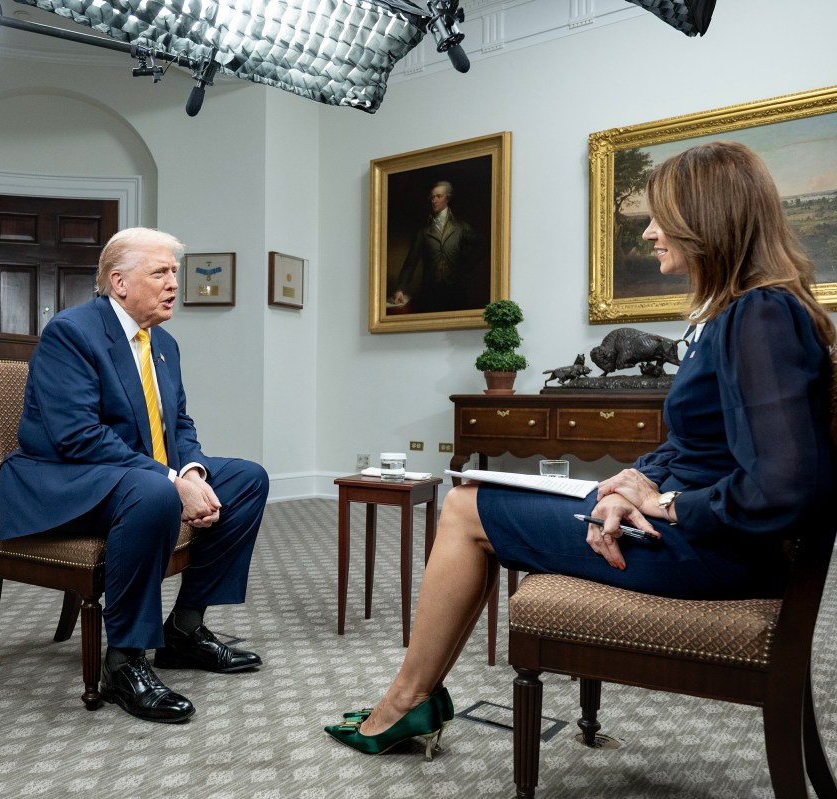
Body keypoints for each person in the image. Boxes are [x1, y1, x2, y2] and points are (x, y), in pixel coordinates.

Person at [326, 140, 837, 756]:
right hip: (698, 531)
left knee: (464, 506)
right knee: (484, 496)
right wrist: (631, 482)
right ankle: (413, 698)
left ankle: (405, 703)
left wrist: (668, 506)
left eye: (661, 218)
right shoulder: (736, 312)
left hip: (713, 550)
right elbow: (700, 444)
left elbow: (785, 486)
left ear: (708, 219)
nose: (649, 232)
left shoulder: (761, 315)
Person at [0, 227, 269, 725]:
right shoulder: (72, 332)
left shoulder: (164, 344)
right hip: (65, 477)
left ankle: (184, 632)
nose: (173, 284)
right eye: (160, 272)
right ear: (118, 282)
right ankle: (124, 662)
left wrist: (192, 470)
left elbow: (178, 424)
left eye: (174, 273)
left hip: (131, 473)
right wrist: (170, 481)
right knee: (154, 493)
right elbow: (77, 437)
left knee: (247, 478)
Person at [389, 181, 483, 314]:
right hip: (431, 292)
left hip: (457, 290)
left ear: (448, 198)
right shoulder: (423, 232)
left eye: (439, 196)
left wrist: (468, 264)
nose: (434, 200)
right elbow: (410, 262)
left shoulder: (461, 227)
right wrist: (400, 289)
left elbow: (483, 244)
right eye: (432, 197)